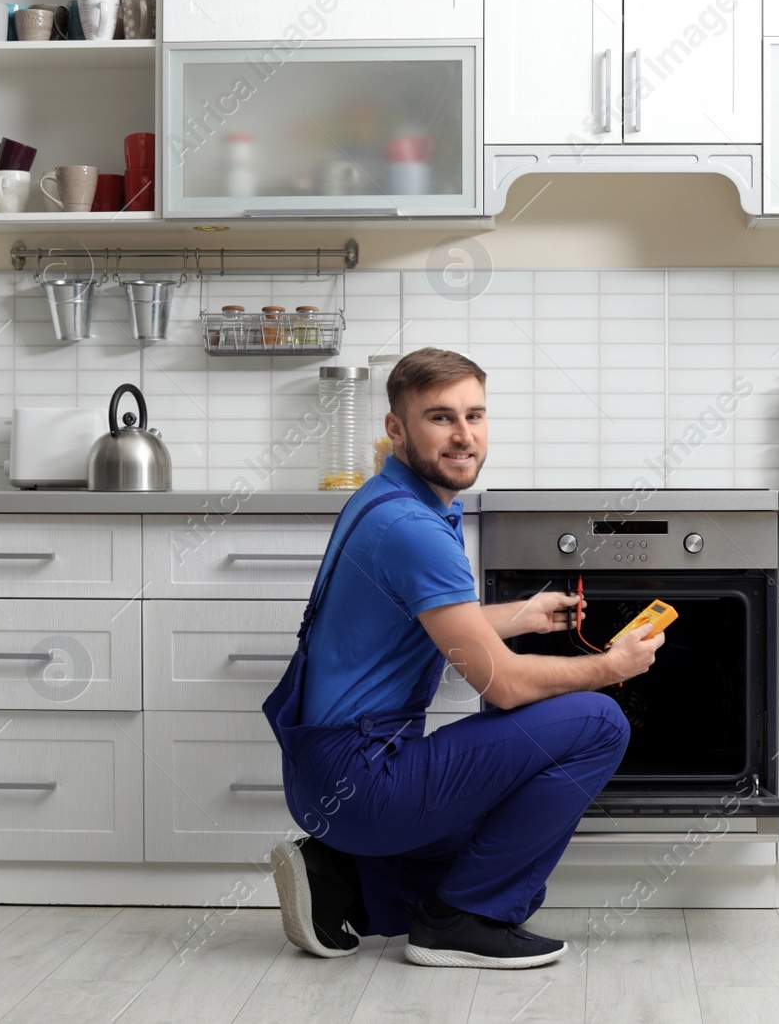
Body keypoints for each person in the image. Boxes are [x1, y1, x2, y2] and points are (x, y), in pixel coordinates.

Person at [263, 347, 665, 969]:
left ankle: (342, 879)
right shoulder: (415, 530)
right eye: (440, 418)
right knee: (599, 722)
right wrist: (611, 668)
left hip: (323, 778)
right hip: (363, 776)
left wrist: (522, 616)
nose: (463, 436)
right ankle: (458, 923)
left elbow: (425, 627)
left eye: (475, 416)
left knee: (512, 863)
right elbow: (501, 684)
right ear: (396, 428)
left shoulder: (385, 498)